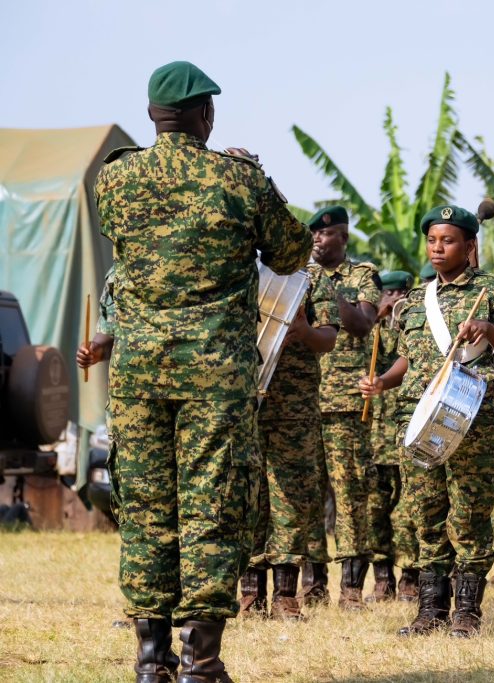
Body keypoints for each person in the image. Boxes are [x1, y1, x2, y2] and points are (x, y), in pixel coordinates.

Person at [95, 61, 312, 683]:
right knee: (212, 504)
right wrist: (256, 177)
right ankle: (201, 660)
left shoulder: (113, 180)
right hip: (214, 372)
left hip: (138, 369)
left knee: (145, 505)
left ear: (152, 116)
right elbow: (293, 252)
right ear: (206, 114)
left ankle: (149, 657)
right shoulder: (236, 180)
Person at [359, 205, 494, 637]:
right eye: (432, 240)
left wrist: (488, 329)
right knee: (425, 513)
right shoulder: (415, 300)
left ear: (470, 246)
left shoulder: (492, 291)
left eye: (448, 240)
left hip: (473, 418)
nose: (437, 248)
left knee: (469, 513)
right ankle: (430, 610)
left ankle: (467, 612)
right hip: (418, 416)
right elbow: (408, 359)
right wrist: (382, 381)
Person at [239, 248, 339, 621]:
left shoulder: (311, 276)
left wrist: (304, 333)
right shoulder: (238, 264)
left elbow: (329, 337)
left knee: (291, 498)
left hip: (293, 407)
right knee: (248, 494)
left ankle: (285, 594)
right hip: (245, 401)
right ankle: (250, 592)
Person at [306, 206, 382, 609]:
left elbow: (362, 324)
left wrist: (326, 290)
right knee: (309, 496)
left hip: (346, 403)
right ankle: (312, 583)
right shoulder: (300, 277)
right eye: (315, 235)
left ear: (344, 238)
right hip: (305, 402)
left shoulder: (360, 277)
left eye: (327, 234)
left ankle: (351, 589)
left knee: (351, 493)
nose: (318, 240)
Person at [366, 270, 420, 602]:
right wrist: (377, 317)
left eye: (401, 292)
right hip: (373, 435)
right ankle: (382, 577)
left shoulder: (412, 326)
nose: (395, 298)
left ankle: (410, 578)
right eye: (389, 293)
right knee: (376, 510)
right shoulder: (370, 328)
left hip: (404, 430)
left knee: (407, 509)